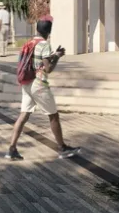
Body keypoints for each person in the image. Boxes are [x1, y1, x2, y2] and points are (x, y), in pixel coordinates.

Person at [6, 17, 80, 161]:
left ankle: (12, 149)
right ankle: (62, 148)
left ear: (37, 29)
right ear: (49, 31)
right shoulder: (45, 44)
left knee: (23, 116)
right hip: (39, 84)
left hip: (27, 83)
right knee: (53, 116)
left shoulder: (30, 42)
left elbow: (37, 61)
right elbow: (47, 68)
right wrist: (57, 57)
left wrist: (52, 55)